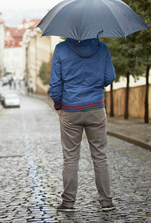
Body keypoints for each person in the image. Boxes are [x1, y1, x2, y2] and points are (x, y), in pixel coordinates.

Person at [49, 37, 116, 212]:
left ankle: (68, 202)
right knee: (100, 156)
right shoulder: (103, 48)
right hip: (95, 108)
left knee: (70, 157)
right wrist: (93, 85)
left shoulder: (61, 49)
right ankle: (106, 202)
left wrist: (58, 105)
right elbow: (110, 77)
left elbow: (55, 84)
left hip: (70, 109)